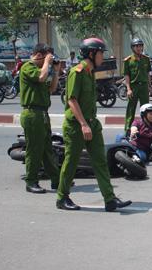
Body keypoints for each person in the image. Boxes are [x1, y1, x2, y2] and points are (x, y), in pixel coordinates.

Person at [56, 38, 131, 211]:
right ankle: (62, 197)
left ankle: (110, 199)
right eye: (100, 53)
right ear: (91, 53)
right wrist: (83, 124)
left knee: (100, 161)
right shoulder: (78, 72)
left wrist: (89, 124)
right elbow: (72, 100)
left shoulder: (90, 73)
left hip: (92, 124)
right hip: (76, 126)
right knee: (71, 162)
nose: (102, 57)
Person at [19, 44, 61, 193]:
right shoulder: (27, 67)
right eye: (46, 57)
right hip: (32, 114)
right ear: (38, 55)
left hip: (42, 114)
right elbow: (42, 77)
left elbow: (52, 89)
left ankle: (56, 181)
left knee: (48, 149)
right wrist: (46, 63)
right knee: (34, 149)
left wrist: (55, 71)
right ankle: (31, 182)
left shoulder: (39, 69)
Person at [124, 38, 151, 132]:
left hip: (144, 86)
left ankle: (146, 127)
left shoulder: (146, 59)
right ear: (132, 48)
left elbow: (148, 73)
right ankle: (127, 128)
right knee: (131, 108)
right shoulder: (128, 60)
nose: (139, 48)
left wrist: (149, 86)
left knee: (145, 108)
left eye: (140, 46)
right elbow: (126, 75)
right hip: (133, 87)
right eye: (136, 46)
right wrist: (128, 89)